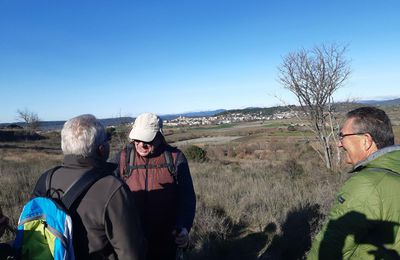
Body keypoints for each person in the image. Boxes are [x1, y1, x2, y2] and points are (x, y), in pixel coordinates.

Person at [32, 114, 144, 259]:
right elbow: (131, 253)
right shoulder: (112, 188)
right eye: (106, 141)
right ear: (101, 149)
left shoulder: (46, 179)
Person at [308, 106, 400, 259]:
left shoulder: (367, 184)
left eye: (342, 136)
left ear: (366, 141)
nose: (339, 144)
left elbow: (330, 248)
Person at [115, 112, 196, 260]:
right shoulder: (123, 158)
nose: (140, 144)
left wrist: (183, 226)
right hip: (132, 239)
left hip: (166, 238)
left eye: (146, 139)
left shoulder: (175, 158)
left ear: (159, 136)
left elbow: (187, 197)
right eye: (136, 139)